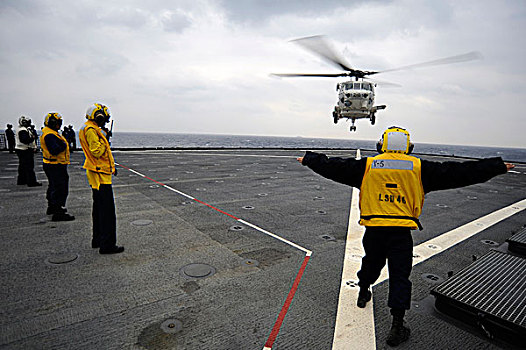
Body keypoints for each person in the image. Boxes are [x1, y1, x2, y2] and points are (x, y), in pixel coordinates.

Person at [297, 126, 514, 347]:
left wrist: (309, 159)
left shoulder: (368, 166)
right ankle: (397, 326)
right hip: (400, 233)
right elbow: (459, 172)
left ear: (381, 145)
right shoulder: (420, 169)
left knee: (371, 262)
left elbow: (334, 167)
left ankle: (363, 290)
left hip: (375, 230)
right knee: (400, 277)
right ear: (409, 147)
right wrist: (495, 167)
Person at [79, 103, 124, 254]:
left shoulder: (89, 128)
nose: (104, 121)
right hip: (100, 175)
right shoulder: (91, 130)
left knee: (98, 209)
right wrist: (104, 138)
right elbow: (97, 151)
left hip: (98, 172)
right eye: (103, 118)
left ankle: (97, 239)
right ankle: (107, 245)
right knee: (107, 213)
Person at [40, 112, 75, 221]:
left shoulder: (50, 132)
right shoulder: (50, 135)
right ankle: (58, 212)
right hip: (55, 164)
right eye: (56, 123)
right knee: (60, 188)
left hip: (53, 164)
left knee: (53, 186)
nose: (58, 125)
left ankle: (52, 207)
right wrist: (64, 145)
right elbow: (54, 150)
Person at [15, 116, 41, 187]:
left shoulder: (22, 129)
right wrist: (32, 138)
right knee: (29, 166)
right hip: (25, 149)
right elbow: (24, 140)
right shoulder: (23, 130)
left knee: (22, 166)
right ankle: (31, 182)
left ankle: (22, 180)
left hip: (21, 149)